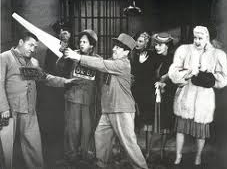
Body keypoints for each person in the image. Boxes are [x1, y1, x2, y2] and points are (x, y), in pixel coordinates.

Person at [64, 33, 148, 169]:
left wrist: (78, 57)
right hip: (109, 109)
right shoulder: (112, 62)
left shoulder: (123, 64)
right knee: (101, 137)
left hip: (122, 109)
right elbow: (99, 63)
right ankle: (103, 165)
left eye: (119, 48)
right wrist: (74, 53)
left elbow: (101, 64)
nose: (114, 49)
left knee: (129, 144)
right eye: (115, 46)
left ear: (126, 52)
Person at [0, 32, 75, 169]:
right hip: (9, 111)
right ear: (21, 42)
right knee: (6, 147)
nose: (32, 49)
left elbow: (45, 78)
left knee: (33, 145)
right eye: (30, 45)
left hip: (28, 109)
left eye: (35, 46)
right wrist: (3, 108)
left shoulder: (32, 62)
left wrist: (65, 82)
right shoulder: (5, 57)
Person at [168, 26, 227, 166]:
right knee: (180, 129)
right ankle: (178, 156)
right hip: (186, 95)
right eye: (195, 38)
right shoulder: (184, 50)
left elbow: (224, 77)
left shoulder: (217, 54)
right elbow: (173, 70)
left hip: (204, 98)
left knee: (200, 131)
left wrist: (209, 77)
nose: (197, 41)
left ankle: (198, 156)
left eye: (200, 38)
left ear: (207, 38)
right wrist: (186, 74)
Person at [56, 29, 100, 165]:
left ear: (91, 45)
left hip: (89, 99)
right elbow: (59, 67)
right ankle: (71, 154)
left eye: (85, 42)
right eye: (80, 41)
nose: (81, 44)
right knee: (72, 128)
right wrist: (63, 55)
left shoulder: (97, 59)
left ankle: (87, 153)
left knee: (87, 128)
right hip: (73, 97)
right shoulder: (72, 54)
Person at [131, 31, 158, 155]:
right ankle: (133, 150)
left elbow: (154, 74)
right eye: (137, 40)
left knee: (148, 122)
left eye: (141, 41)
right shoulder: (133, 55)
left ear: (146, 43)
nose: (137, 43)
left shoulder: (153, 55)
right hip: (135, 92)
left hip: (148, 92)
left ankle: (147, 152)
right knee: (135, 121)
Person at [151, 32, 176, 160]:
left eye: (160, 45)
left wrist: (165, 85)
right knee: (153, 120)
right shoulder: (154, 58)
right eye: (156, 44)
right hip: (154, 93)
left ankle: (161, 150)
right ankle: (151, 150)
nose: (157, 47)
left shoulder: (174, 59)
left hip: (168, 94)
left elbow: (176, 79)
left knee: (165, 121)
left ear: (167, 46)